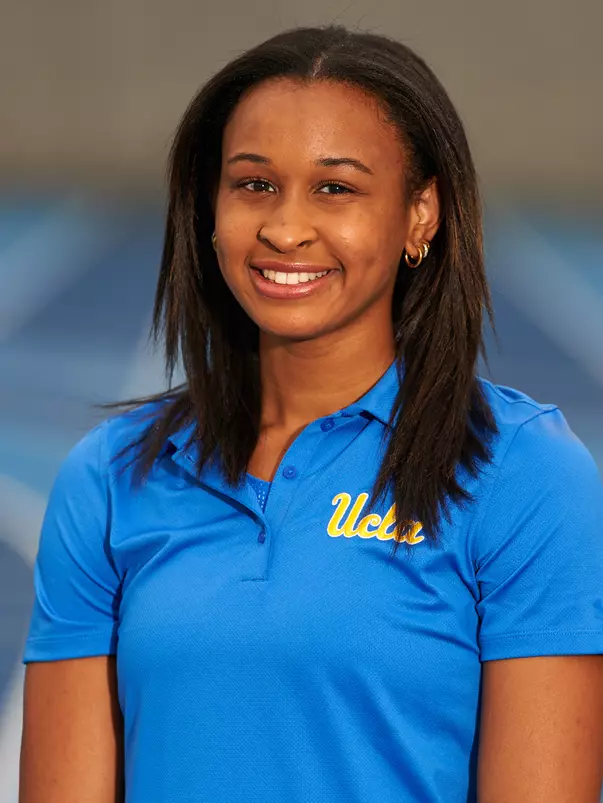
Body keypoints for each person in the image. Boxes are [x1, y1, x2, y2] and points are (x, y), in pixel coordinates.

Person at [18, 24, 603, 803]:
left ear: (420, 214)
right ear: (210, 208)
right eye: (253, 183)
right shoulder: (110, 475)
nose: (284, 228)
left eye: (335, 188)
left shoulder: (522, 475)